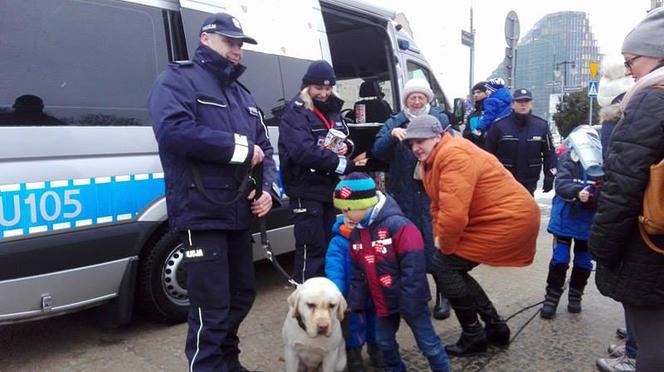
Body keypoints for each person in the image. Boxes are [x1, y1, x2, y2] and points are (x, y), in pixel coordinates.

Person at [148, 12, 277, 372]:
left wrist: (266, 190)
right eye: (229, 42)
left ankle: (228, 363)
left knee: (241, 296)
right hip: (202, 211)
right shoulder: (178, 80)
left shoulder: (242, 94)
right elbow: (173, 132)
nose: (237, 51)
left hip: (239, 212)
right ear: (206, 39)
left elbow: (265, 150)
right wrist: (238, 149)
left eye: (240, 44)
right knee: (211, 304)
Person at [404, 114, 539, 356]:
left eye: (420, 141)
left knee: (444, 266)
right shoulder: (434, 158)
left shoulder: (453, 155)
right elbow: (438, 204)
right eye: (410, 143)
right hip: (492, 218)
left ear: (438, 136)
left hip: (507, 220)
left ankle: (474, 334)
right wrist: (440, 238)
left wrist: (444, 243)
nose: (415, 147)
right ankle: (494, 328)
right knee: (448, 265)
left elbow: (454, 214)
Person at [589, 8, 664, 372]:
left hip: (652, 245)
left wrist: (602, 247)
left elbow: (623, 185)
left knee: (654, 344)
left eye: (630, 59)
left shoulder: (652, 98)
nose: (628, 68)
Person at [338, 172, 449, 372]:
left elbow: (414, 268)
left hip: (411, 301)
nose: (344, 215)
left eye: (348, 210)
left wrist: (410, 301)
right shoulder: (356, 234)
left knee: (428, 345)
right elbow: (358, 273)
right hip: (383, 301)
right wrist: (355, 303)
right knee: (384, 343)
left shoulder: (399, 226)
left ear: (365, 203)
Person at [278, 60, 367, 283]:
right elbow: (303, 151)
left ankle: (325, 304)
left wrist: (348, 147)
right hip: (305, 190)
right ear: (307, 86)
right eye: (319, 88)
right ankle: (304, 308)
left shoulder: (332, 110)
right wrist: (343, 164)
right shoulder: (295, 113)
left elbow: (345, 136)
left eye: (328, 88)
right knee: (311, 251)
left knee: (329, 246)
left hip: (327, 189)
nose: (324, 93)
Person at [371, 78, 451, 321]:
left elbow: (450, 148)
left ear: (427, 99)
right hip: (403, 193)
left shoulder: (440, 119)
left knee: (435, 243)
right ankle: (417, 298)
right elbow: (378, 152)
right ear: (406, 100)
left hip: (430, 191)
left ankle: (443, 295)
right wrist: (391, 136)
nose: (416, 101)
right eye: (412, 97)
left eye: (421, 97)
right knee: (407, 248)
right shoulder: (394, 122)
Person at [594, 55, 638, 372]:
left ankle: (636, 350)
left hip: (636, 215)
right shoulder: (627, 115)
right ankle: (635, 342)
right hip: (639, 213)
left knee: (636, 282)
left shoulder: (618, 122)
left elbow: (620, 179)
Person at [540, 125, 603, 319]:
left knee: (584, 262)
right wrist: (577, 192)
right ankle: (551, 298)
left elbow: (606, 188)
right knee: (560, 259)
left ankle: (575, 296)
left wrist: (593, 196)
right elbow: (561, 184)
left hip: (587, 222)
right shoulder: (568, 158)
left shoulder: (601, 163)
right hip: (566, 219)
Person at [325, 216, 383, 371]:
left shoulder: (370, 234)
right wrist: (337, 290)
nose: (350, 219)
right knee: (354, 325)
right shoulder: (338, 242)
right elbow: (334, 268)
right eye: (346, 215)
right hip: (352, 295)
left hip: (373, 291)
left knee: (375, 322)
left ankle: (376, 348)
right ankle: (353, 353)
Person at [484, 88, 556, 195]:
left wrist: (549, 177)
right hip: (504, 181)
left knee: (527, 210)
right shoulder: (499, 126)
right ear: (512, 104)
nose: (523, 105)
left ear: (531, 104)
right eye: (519, 101)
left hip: (530, 182)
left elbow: (549, 154)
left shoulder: (541, 126)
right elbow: (488, 155)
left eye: (526, 101)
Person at [462, 81, 488, 146]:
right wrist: (475, 134)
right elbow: (466, 135)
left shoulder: (494, 112)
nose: (475, 95)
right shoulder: (472, 115)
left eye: (478, 92)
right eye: (474, 93)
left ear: (487, 93)